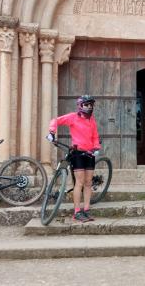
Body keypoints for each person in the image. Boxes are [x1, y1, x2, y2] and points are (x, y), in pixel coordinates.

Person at [47, 95, 101, 223]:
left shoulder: (91, 119)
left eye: (91, 105)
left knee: (88, 183)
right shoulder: (73, 117)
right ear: (80, 106)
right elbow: (55, 120)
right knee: (80, 182)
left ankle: (86, 210)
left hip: (90, 154)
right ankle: (77, 211)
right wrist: (51, 132)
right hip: (77, 153)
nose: (89, 107)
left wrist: (96, 147)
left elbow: (95, 135)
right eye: (87, 105)